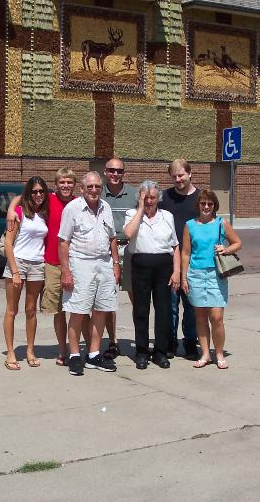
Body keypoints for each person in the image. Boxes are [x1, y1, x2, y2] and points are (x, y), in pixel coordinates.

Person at [7, 168, 78, 366]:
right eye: (62, 182)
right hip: (45, 263)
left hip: (62, 263)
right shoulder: (47, 201)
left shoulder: (77, 203)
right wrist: (11, 208)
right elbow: (23, 197)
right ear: (56, 185)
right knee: (55, 311)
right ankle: (59, 351)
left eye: (69, 182)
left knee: (78, 310)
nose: (65, 185)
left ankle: (86, 350)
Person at [59, 171, 120, 376]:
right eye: (90, 187)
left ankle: (93, 354)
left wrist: (116, 264)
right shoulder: (72, 208)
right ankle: (75, 356)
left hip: (104, 264)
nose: (94, 190)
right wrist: (66, 271)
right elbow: (63, 242)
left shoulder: (106, 207)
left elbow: (112, 237)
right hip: (80, 264)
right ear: (82, 189)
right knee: (78, 311)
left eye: (97, 187)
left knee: (101, 310)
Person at [180, 190, 242, 369]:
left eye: (210, 204)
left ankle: (219, 353)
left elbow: (238, 243)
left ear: (214, 206)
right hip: (196, 275)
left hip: (216, 275)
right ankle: (206, 354)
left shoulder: (221, 223)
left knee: (216, 317)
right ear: (198, 205)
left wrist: (226, 249)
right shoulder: (190, 225)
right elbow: (186, 253)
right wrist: (184, 278)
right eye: (203, 203)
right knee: (200, 317)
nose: (206, 207)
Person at [123, 181, 180, 370]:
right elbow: (128, 233)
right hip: (141, 264)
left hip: (164, 266)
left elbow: (175, 246)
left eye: (152, 198)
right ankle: (141, 352)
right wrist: (140, 209)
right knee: (141, 310)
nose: (149, 201)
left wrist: (177, 271)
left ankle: (160, 352)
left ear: (158, 199)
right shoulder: (132, 214)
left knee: (163, 310)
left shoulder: (167, 216)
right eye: (145, 198)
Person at [1, 177, 50, 370]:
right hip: (18, 263)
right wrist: (14, 272)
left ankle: (30, 351)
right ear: (28, 193)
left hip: (37, 264)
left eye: (41, 191)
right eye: (34, 191)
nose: (38, 195)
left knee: (31, 310)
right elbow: (8, 243)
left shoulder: (44, 213)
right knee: (12, 310)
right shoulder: (19, 213)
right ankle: (10, 353)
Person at [159, 159, 200, 360]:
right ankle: (171, 342)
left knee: (191, 305)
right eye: (174, 176)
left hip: (194, 261)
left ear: (190, 173)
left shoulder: (201, 198)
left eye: (181, 175)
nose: (178, 179)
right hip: (170, 260)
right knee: (171, 306)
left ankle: (190, 342)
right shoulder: (164, 197)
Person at [101, 158, 138, 360]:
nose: (115, 174)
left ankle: (141, 342)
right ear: (105, 172)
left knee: (137, 299)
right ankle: (112, 342)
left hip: (130, 250)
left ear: (124, 173)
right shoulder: (97, 193)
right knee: (108, 301)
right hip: (107, 252)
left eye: (119, 171)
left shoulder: (134, 195)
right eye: (112, 170)